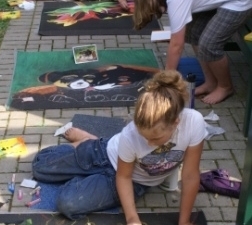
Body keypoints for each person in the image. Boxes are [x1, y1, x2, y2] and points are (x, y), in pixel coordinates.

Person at [32, 70, 207, 225]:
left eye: (155, 138)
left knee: (67, 204)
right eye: (144, 136)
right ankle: (88, 142)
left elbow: (190, 175)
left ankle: (86, 158)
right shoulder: (130, 134)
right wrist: (132, 219)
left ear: (175, 122)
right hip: (106, 152)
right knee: (40, 166)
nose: (149, 144)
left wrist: (184, 221)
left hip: (134, 181)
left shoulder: (193, 123)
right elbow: (123, 175)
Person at [119, 0, 252, 104]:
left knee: (209, 45)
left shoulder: (175, 2)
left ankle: (225, 87)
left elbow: (177, 45)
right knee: (193, 33)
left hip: (239, 2)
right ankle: (210, 83)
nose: (159, 12)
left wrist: (165, 79)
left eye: (155, 11)